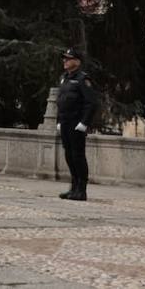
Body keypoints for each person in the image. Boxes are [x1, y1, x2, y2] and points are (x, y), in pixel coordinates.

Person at [56, 47, 98, 201]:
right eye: (64, 58)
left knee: (78, 156)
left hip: (76, 123)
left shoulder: (82, 79)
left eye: (69, 59)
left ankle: (81, 189)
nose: (65, 61)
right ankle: (73, 187)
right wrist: (59, 121)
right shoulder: (64, 78)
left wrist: (84, 123)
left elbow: (91, 103)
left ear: (77, 62)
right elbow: (61, 101)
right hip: (65, 122)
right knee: (69, 155)